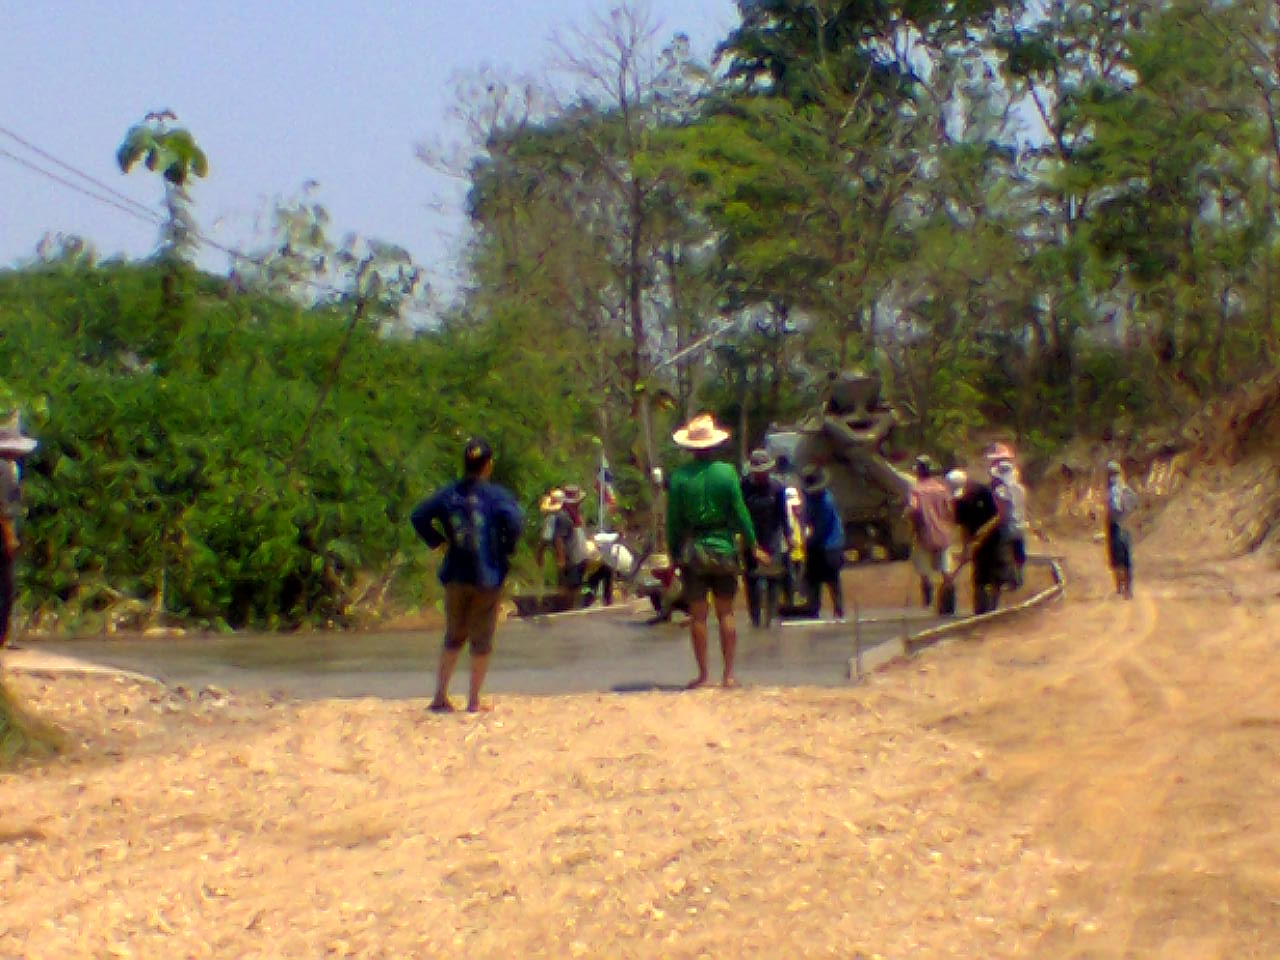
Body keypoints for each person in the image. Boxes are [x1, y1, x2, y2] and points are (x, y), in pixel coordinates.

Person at [410, 437, 523, 713]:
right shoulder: (496, 496)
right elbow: (515, 522)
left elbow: (419, 516)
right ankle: (473, 700)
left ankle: (440, 696)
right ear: (488, 465)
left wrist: (438, 541)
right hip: (487, 575)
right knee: (481, 639)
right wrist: (506, 548)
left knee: (453, 636)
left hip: (456, 574)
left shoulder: (449, 494)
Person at [666, 413, 767, 688]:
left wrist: (673, 553)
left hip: (695, 551)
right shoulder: (727, 473)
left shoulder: (680, 478)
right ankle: (729, 675)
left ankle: (703, 676)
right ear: (714, 444)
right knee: (726, 613)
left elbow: (674, 521)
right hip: (723, 547)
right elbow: (741, 513)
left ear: (690, 447)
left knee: (698, 615)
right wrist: (752, 544)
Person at [740, 448, 788, 627]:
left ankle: (771, 617)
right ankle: (755, 618)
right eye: (758, 472)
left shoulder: (777, 488)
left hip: (772, 536)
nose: (761, 475)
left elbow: (783, 515)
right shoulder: (744, 487)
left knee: (773, 577)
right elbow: (739, 513)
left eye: (764, 471)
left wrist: (789, 537)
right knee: (752, 578)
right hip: (751, 538)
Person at [0, 418, 38, 649]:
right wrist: (10, 538)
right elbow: (3, 509)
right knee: (4, 587)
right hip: (1, 533)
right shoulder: (5, 470)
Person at [952, 471, 1010, 615]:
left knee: (996, 573)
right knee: (979, 573)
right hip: (977, 541)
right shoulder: (959, 502)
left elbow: (999, 515)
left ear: (967, 484)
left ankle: (993, 607)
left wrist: (983, 531)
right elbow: (964, 527)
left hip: (995, 537)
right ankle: (980, 610)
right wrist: (966, 548)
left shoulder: (985, 492)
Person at [906, 455, 957, 614]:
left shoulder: (916, 491)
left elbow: (913, 510)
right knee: (946, 569)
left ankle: (928, 602)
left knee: (924, 570)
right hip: (943, 534)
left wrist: (913, 525)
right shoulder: (942, 489)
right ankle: (949, 601)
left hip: (924, 534)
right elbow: (950, 510)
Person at [800, 463, 846, 620]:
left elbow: (820, 527)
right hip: (818, 542)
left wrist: (808, 542)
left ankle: (838, 610)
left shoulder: (826, 501)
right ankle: (814, 609)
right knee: (813, 579)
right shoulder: (809, 497)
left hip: (830, 544)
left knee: (832, 578)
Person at [549, 484, 591, 607]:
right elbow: (558, 539)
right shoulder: (563, 517)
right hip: (571, 560)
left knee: (576, 587)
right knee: (569, 588)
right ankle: (566, 610)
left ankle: (572, 609)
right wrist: (561, 559)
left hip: (579, 558)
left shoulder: (576, 515)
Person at [991, 460, 1029, 589]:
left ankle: (1007, 579)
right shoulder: (1021, 489)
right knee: (1018, 553)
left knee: (1004, 553)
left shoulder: (1000, 491)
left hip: (1007, 526)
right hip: (1021, 525)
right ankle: (1019, 579)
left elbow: (1000, 512)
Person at [1105, 460, 1138, 599]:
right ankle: (1127, 589)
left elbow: (1114, 508)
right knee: (1126, 558)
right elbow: (1135, 503)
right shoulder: (1126, 490)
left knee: (1117, 558)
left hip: (1116, 526)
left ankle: (1121, 587)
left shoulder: (1113, 490)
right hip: (1126, 526)